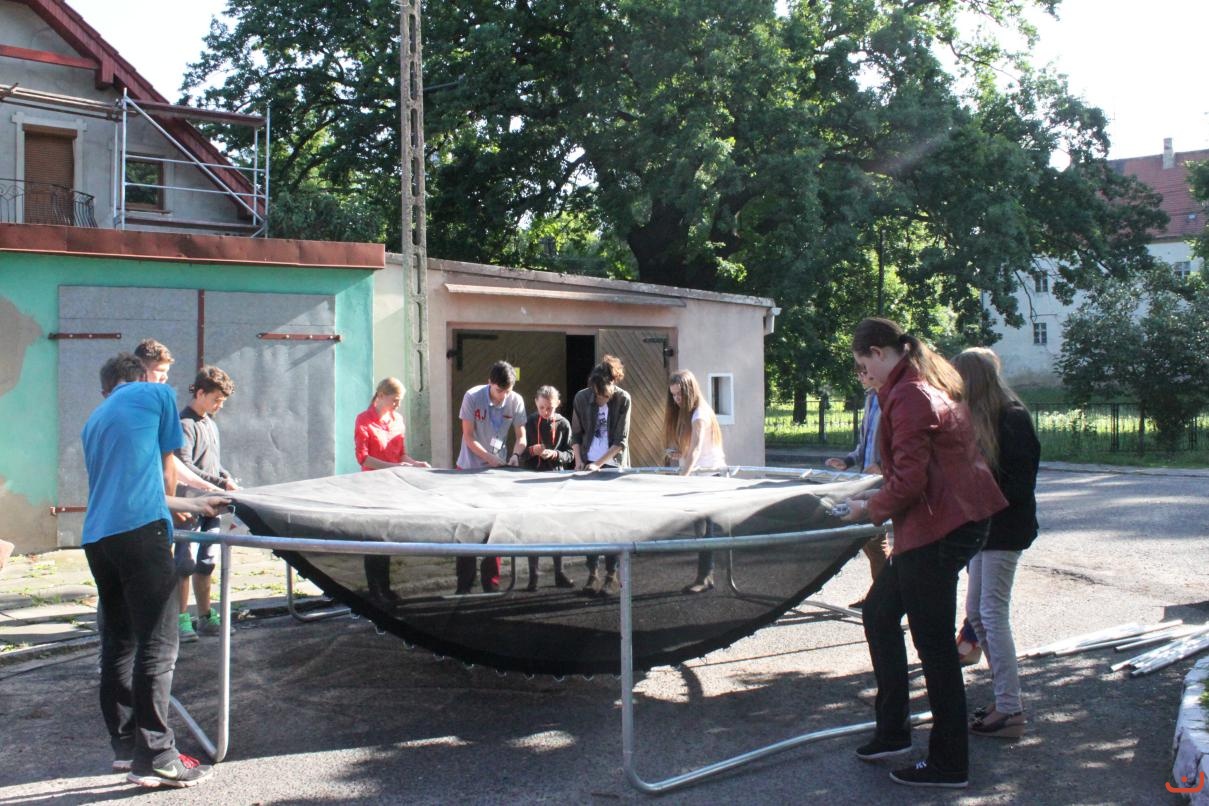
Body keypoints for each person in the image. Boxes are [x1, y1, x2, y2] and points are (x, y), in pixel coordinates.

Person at [837, 318, 1006, 790]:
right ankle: (893, 732)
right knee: (878, 613)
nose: (863, 375)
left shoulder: (909, 395)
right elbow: (911, 471)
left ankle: (949, 763)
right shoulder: (908, 386)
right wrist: (875, 492)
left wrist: (867, 509)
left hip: (942, 528)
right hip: (939, 525)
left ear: (877, 352)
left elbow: (911, 481)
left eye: (862, 365)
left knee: (933, 646)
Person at [82, 353, 228, 788]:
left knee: (120, 642)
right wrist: (181, 504)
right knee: (159, 645)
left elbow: (129, 486)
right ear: (144, 377)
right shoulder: (156, 395)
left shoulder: (94, 421)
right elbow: (167, 470)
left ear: (107, 388)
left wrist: (193, 503)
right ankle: (159, 757)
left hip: (99, 539)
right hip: (141, 533)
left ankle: (127, 747)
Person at [952, 348, 1040, 740]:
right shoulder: (981, 417)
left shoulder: (1012, 417)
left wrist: (978, 500)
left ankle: (1010, 709)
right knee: (976, 613)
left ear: (973, 380)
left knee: (990, 613)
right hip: (984, 529)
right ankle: (1004, 700)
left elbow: (1020, 485)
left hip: (1004, 531)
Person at [174, 367, 240, 643]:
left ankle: (205, 616)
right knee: (184, 563)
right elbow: (184, 465)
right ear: (200, 393)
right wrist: (220, 483)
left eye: (222, 401)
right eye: (216, 400)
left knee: (206, 562)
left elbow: (212, 462)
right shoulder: (184, 425)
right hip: (189, 505)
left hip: (213, 506)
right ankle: (180, 619)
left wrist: (226, 477)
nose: (219, 406)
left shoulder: (210, 424)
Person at [354, 378, 431, 604]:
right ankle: (374, 589)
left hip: (393, 487)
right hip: (372, 487)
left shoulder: (397, 420)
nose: (398, 405)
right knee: (372, 538)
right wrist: (395, 466)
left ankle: (385, 587)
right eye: (395, 400)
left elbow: (401, 454)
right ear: (381, 396)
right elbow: (364, 458)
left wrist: (415, 464)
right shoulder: (364, 420)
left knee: (387, 537)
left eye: (400, 401)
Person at [455, 361, 527, 594]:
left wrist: (515, 455)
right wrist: (488, 457)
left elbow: (521, 437)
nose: (503, 396)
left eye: (508, 391)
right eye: (499, 391)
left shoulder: (515, 400)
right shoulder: (472, 397)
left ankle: (491, 583)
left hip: (498, 473)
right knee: (466, 527)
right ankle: (464, 584)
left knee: (495, 528)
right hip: (469, 470)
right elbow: (468, 436)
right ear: (490, 383)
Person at [826, 365, 891, 607]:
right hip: (867, 479)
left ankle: (884, 597)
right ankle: (881, 594)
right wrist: (848, 461)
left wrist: (882, 466)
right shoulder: (871, 398)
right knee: (872, 542)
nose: (860, 377)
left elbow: (899, 445)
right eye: (858, 372)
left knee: (874, 540)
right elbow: (865, 442)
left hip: (887, 481)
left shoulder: (893, 398)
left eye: (863, 372)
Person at [570, 355, 632, 596]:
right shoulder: (581, 398)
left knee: (612, 524)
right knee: (590, 523)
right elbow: (576, 434)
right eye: (595, 394)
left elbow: (620, 441)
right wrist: (579, 460)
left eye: (602, 395)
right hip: (587, 466)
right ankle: (592, 573)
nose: (598, 399)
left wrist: (599, 464)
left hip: (612, 468)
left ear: (611, 386)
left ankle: (611, 575)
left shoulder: (623, 399)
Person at [664, 369, 727, 593]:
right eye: (673, 395)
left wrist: (682, 478)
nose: (676, 399)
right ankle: (705, 575)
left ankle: (705, 576)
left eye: (679, 394)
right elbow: (692, 450)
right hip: (702, 475)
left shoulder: (700, 414)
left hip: (709, 477)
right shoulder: (693, 412)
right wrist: (680, 455)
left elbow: (698, 450)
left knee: (705, 530)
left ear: (690, 391)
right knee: (701, 528)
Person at [520, 385, 576, 591]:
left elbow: (570, 454)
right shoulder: (529, 422)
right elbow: (520, 453)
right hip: (531, 480)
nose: (545, 412)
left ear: (557, 404)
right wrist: (531, 451)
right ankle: (533, 575)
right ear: (536, 403)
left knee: (555, 528)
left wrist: (555, 454)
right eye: (542, 407)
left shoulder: (564, 424)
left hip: (555, 481)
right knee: (532, 528)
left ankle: (559, 572)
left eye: (549, 408)